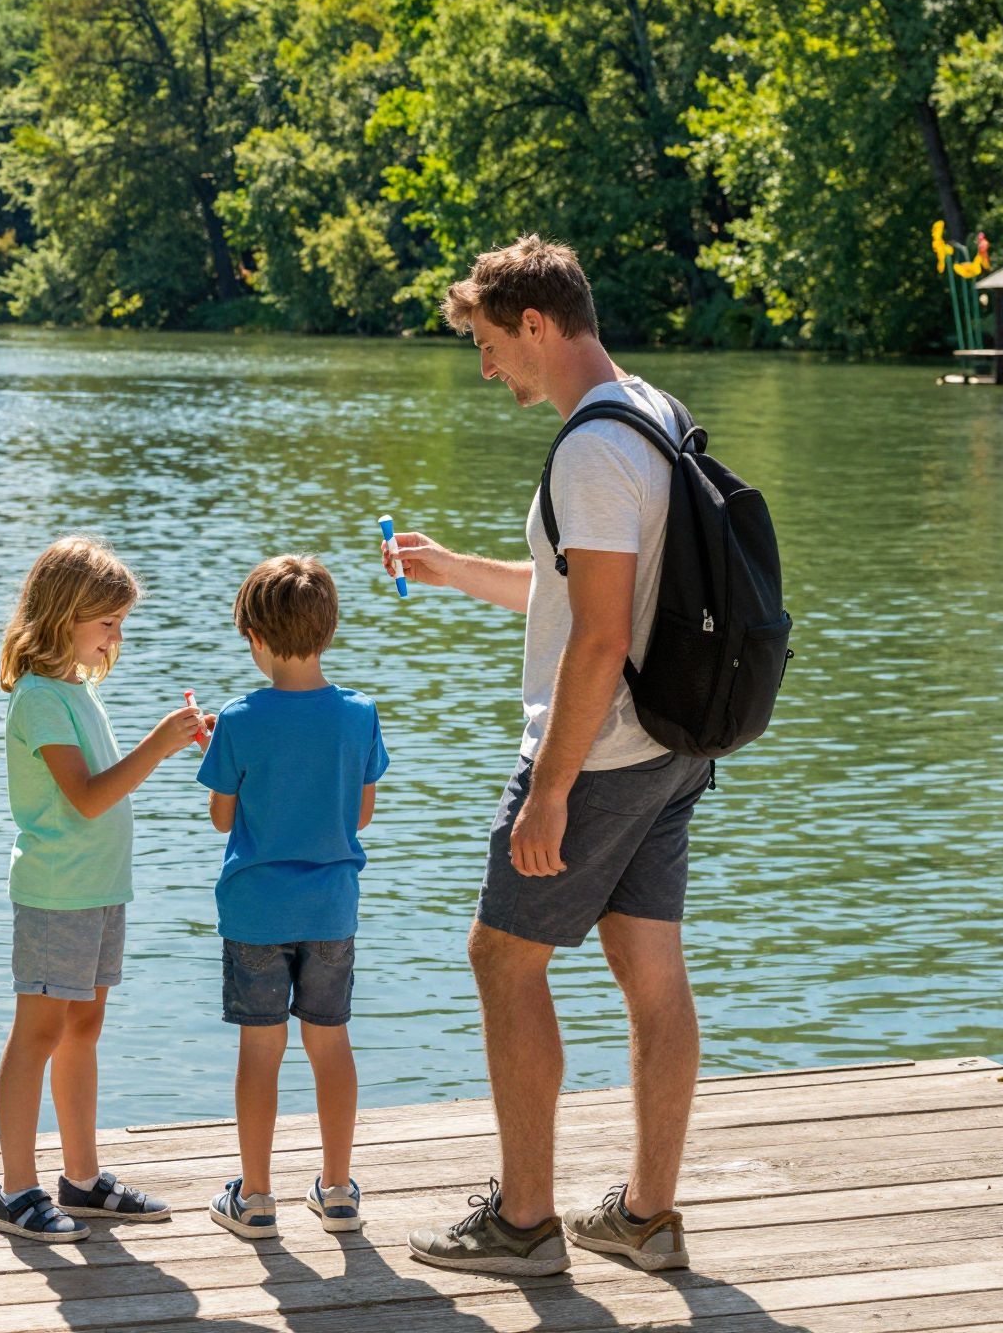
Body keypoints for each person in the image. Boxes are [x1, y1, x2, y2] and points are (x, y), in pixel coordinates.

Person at [391, 235, 712, 1276]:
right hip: (668, 741)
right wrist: (453, 572)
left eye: (488, 346)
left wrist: (550, 790)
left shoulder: (588, 447)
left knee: (501, 956)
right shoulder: (650, 411)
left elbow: (598, 637)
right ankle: (646, 1217)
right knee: (646, 968)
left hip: (599, 753)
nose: (486, 370)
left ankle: (524, 1224)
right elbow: (581, 593)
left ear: (534, 324)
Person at [0, 536, 209, 1243]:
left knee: (84, 1027)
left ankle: (81, 1179)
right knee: (39, 1032)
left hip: (99, 890)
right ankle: (16, 1190)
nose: (116, 637)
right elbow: (85, 799)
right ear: (64, 616)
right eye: (106, 623)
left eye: (119, 623)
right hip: (57, 892)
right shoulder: (40, 699)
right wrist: (157, 746)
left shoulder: (77, 691)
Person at [197, 556, 385, 1242]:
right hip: (331, 909)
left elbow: (222, 818)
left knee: (261, 1050)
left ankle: (255, 1198)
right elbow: (360, 815)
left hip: (255, 912)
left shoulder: (241, 720)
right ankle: (337, 1191)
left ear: (253, 635)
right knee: (330, 1044)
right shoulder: (359, 716)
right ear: (327, 631)